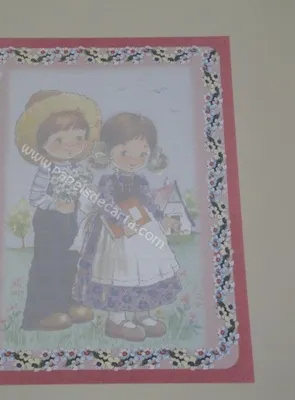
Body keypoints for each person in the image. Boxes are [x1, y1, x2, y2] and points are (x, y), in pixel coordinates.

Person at [72, 112, 182, 341]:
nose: (133, 160)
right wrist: (123, 221)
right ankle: (117, 319)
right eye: (124, 153)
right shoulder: (108, 182)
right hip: (116, 232)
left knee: (146, 269)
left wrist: (162, 218)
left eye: (142, 154)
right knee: (120, 270)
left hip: (142, 228)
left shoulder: (141, 181)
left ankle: (143, 314)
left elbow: (149, 203)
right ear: (108, 151)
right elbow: (106, 205)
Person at [15, 90, 101, 331]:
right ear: (42, 145)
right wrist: (55, 205)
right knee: (49, 265)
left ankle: (69, 304)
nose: (70, 146)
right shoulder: (47, 169)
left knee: (71, 261)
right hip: (49, 223)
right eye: (59, 140)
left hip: (71, 221)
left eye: (78, 137)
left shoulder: (77, 168)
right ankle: (41, 314)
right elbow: (36, 197)